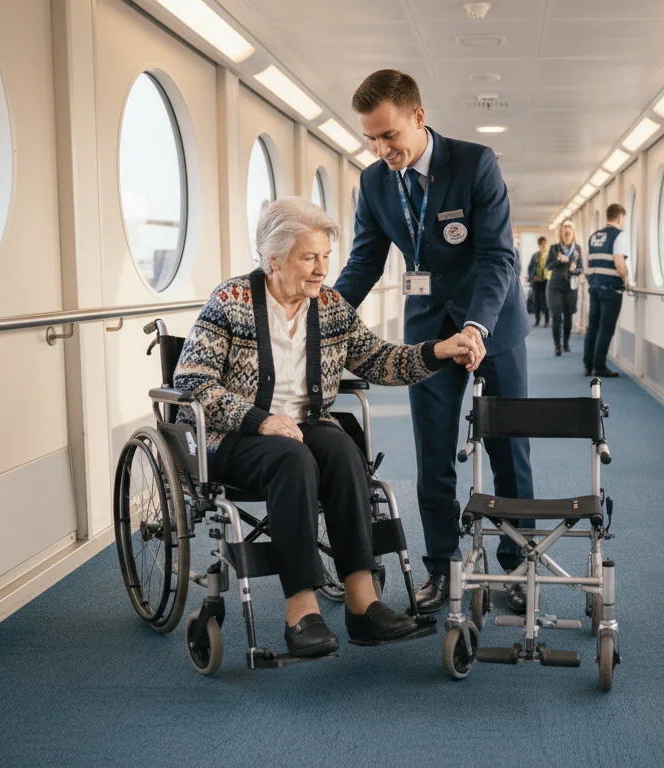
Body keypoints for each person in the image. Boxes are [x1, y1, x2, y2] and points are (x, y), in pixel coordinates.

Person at [172, 197, 479, 658]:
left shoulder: (330, 305)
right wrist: (260, 419)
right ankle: (301, 611)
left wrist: (439, 350)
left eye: (326, 257)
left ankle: (363, 604)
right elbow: (193, 382)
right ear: (273, 259)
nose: (321, 269)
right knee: (294, 458)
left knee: (341, 451)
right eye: (309, 257)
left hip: (304, 425)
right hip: (232, 436)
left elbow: (378, 358)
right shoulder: (230, 301)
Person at [333, 69, 535, 615]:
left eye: (389, 135)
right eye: (371, 138)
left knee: (509, 448)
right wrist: (321, 316)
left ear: (418, 118)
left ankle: (517, 564)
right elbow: (363, 263)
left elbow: (498, 258)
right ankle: (443, 569)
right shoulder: (374, 182)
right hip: (427, 328)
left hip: (493, 325)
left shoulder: (474, 164)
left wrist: (476, 328)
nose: (381, 149)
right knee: (433, 454)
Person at [582, 203, 631, 378]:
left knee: (593, 325)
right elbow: (619, 262)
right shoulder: (620, 236)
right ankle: (599, 366)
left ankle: (588, 364)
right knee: (606, 327)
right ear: (619, 217)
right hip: (611, 288)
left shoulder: (595, 236)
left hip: (594, 286)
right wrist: (626, 279)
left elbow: (587, 263)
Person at [546, 221, 583, 356]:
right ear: (561, 233)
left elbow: (581, 269)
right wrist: (558, 261)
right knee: (556, 316)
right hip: (555, 287)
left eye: (569, 229)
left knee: (568, 317)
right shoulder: (554, 248)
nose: (567, 232)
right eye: (565, 229)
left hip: (571, 288)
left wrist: (573, 268)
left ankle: (566, 342)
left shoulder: (577, 249)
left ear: (573, 233)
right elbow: (548, 266)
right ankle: (557, 346)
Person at [526, 236, 550, 327]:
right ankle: (537, 320)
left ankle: (547, 321)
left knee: (545, 301)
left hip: (546, 281)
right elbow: (530, 268)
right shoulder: (535, 255)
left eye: (544, 244)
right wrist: (533, 276)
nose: (542, 246)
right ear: (539, 245)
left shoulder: (549, 255)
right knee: (537, 302)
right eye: (541, 244)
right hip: (537, 281)